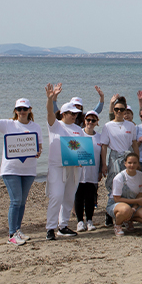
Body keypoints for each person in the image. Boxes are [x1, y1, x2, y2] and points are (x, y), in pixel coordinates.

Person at [0, 90, 42, 245]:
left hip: (28, 170)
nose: (22, 112)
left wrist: (37, 152)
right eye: (19, 109)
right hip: (10, 169)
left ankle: (18, 230)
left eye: (24, 109)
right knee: (16, 200)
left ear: (29, 110)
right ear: (15, 111)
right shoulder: (8, 124)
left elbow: (38, 148)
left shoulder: (36, 127)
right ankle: (12, 234)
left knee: (22, 202)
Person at [44, 83, 84, 240]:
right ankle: (50, 228)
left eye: (75, 113)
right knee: (57, 196)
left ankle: (63, 226)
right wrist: (50, 99)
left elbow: (81, 148)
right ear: (63, 113)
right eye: (70, 113)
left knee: (69, 197)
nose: (74, 116)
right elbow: (49, 112)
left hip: (74, 167)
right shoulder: (55, 125)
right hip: (57, 166)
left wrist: (82, 160)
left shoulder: (78, 129)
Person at [99, 96, 138, 225]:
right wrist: (104, 164)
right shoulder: (108, 126)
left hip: (128, 157)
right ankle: (110, 213)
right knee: (113, 184)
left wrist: (137, 161)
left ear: (125, 110)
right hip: (114, 157)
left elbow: (134, 143)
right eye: (117, 109)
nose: (119, 112)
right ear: (114, 111)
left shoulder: (131, 126)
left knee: (127, 185)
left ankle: (126, 215)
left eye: (122, 109)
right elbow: (104, 146)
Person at [75, 110, 103, 232]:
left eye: (93, 120)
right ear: (84, 121)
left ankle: (90, 220)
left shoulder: (100, 137)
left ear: (97, 122)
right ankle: (80, 221)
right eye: (88, 120)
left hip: (93, 171)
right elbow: (71, 150)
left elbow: (102, 155)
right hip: (79, 171)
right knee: (79, 196)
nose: (90, 122)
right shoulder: (78, 134)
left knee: (91, 197)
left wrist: (101, 170)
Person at [107, 152, 142, 236]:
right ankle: (118, 225)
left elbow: (140, 195)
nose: (132, 165)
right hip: (116, 204)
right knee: (125, 210)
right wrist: (136, 202)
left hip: (134, 205)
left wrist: (134, 208)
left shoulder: (141, 176)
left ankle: (128, 220)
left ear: (138, 164)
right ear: (125, 164)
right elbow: (116, 199)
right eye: (129, 162)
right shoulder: (119, 178)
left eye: (134, 163)